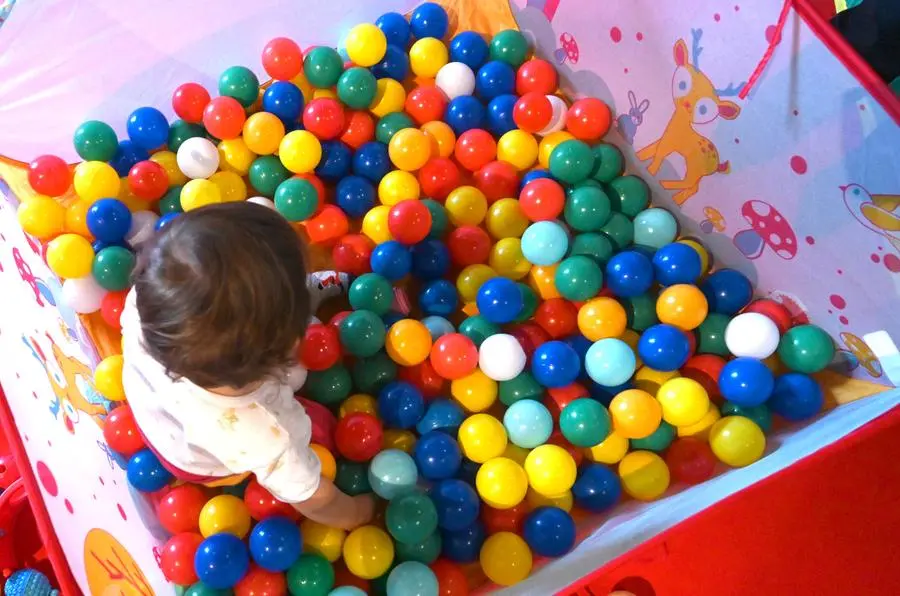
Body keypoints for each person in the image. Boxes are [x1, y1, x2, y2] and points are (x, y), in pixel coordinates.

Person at [121, 202, 374, 530]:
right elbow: (315, 497)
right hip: (198, 459)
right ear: (286, 347)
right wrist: (360, 512)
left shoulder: (154, 302)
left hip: (153, 407)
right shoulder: (265, 431)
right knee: (323, 427)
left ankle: (289, 296)